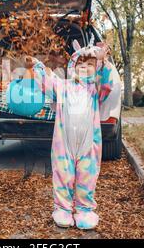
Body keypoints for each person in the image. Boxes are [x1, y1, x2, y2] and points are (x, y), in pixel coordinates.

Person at [23, 41, 113, 230]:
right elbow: (48, 83)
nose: (84, 68)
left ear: (95, 68)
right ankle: (63, 209)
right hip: (64, 144)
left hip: (88, 144)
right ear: (73, 67)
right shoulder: (64, 87)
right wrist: (37, 66)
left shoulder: (95, 90)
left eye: (90, 65)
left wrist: (104, 61)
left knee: (87, 175)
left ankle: (84, 209)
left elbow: (107, 83)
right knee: (63, 174)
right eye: (80, 64)